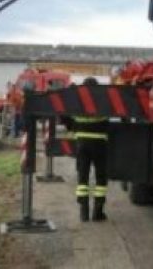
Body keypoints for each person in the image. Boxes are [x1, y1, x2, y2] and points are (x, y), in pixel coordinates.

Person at [69, 76, 109, 222]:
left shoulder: (78, 102)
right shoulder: (103, 101)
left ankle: (83, 213)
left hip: (82, 144)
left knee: (83, 176)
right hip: (100, 144)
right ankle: (98, 213)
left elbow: (67, 118)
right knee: (101, 177)